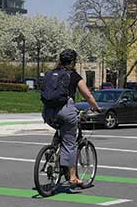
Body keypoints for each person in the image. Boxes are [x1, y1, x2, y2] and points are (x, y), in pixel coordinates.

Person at [41, 49, 101, 188]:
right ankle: (73, 177)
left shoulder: (51, 74)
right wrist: (97, 108)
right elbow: (87, 95)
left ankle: (52, 151)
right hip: (65, 110)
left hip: (48, 112)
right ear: (73, 62)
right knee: (70, 143)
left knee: (60, 129)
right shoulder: (74, 76)